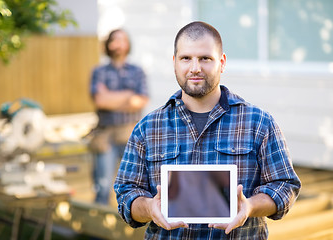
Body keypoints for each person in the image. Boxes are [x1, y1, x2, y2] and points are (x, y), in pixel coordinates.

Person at [114, 21, 301, 239]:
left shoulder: (259, 123)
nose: (195, 68)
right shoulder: (147, 128)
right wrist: (149, 208)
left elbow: (285, 186)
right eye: (186, 58)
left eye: (205, 58)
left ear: (221, 62)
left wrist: (249, 207)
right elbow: (126, 193)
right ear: (174, 62)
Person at [89, 29, 149, 205]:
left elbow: (141, 101)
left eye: (122, 40)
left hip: (131, 135)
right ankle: (97, 231)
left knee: (137, 185)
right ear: (108, 45)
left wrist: (111, 97)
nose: (117, 44)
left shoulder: (138, 71)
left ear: (128, 44)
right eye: (113, 40)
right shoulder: (98, 71)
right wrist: (128, 96)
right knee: (102, 186)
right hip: (105, 136)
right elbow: (100, 101)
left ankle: (132, 225)